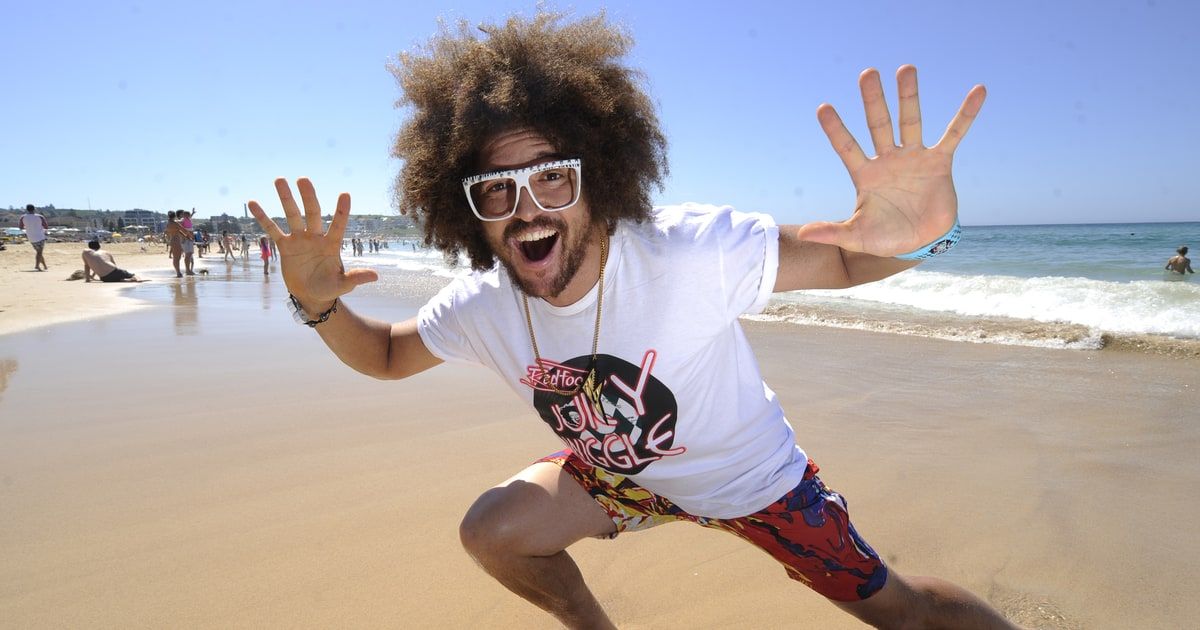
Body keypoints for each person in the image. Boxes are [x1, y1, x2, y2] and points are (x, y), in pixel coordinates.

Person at [249, 13, 1013, 630]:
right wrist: (320, 304)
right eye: (497, 190)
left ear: (604, 180)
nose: (528, 210)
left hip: (757, 485)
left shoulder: (689, 253)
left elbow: (842, 262)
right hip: (625, 481)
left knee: (901, 612)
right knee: (492, 531)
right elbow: (386, 355)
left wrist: (922, 237)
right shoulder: (486, 303)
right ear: (465, 209)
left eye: (553, 178)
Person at [19, 204, 49, 271]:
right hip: (40, 236)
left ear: (27, 209)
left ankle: (45, 266)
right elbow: (46, 226)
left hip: (30, 237)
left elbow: (21, 227)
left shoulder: (23, 217)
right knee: (39, 252)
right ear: (34, 209)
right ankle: (37, 266)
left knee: (39, 252)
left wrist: (28, 227)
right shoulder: (40, 216)